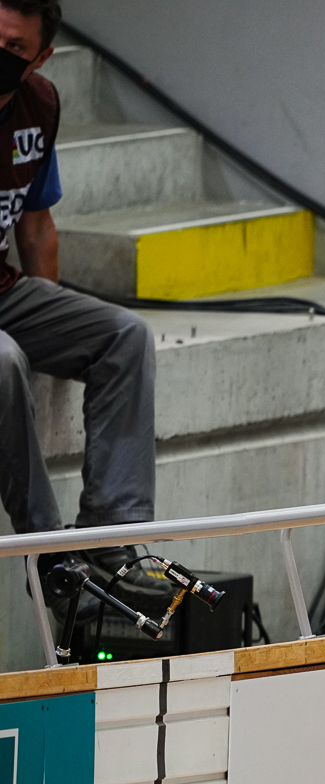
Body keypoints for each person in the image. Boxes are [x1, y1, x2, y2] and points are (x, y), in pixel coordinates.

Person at [0, 0, 158, 606]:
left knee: (125, 335)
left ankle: (112, 535)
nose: (1, 54)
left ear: (40, 57)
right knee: (4, 358)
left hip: (3, 288)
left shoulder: (38, 106)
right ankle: (45, 550)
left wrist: (53, 317)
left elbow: (36, 225)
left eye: (14, 48)